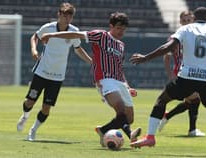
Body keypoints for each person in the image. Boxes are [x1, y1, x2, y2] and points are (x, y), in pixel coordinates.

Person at [129, 7, 206, 156]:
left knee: (162, 101)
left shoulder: (186, 29)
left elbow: (167, 47)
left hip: (186, 77)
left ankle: (150, 137)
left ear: (194, 17)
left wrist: (145, 57)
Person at [40, 12, 141, 147]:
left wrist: (127, 86)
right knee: (121, 110)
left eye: (123, 29)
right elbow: (76, 35)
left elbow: (119, 68)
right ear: (111, 26)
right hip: (105, 80)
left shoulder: (121, 45)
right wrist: (52, 35)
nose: (121, 31)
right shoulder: (101, 35)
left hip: (120, 82)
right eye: (118, 28)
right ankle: (130, 135)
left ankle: (103, 130)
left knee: (129, 118)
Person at [16, 2, 92, 141]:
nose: (67, 18)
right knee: (29, 102)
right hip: (42, 71)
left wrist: (91, 61)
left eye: (70, 16)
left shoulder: (73, 31)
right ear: (59, 14)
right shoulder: (48, 27)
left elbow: (78, 49)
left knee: (46, 108)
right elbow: (35, 37)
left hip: (57, 76)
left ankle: (32, 131)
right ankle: (25, 116)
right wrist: (34, 49)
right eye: (64, 15)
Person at [159, 11, 206, 137]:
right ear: (180, 22)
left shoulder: (197, 36)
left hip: (194, 73)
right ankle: (192, 130)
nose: (186, 22)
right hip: (181, 73)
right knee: (194, 98)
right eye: (184, 20)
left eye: (189, 20)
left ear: (193, 21)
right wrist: (170, 74)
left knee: (193, 100)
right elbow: (167, 56)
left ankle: (168, 116)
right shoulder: (175, 37)